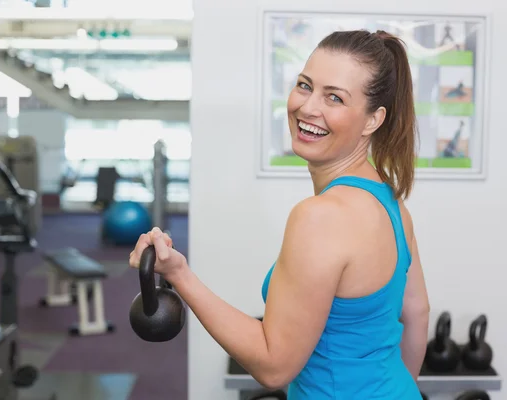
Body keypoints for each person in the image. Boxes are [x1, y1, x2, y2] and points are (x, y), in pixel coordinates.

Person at [130, 29, 430, 399]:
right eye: (305, 86)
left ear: (372, 120)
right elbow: (417, 313)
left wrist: (180, 275)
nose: (308, 107)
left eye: (334, 97)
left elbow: (274, 367)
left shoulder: (321, 217)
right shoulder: (390, 202)